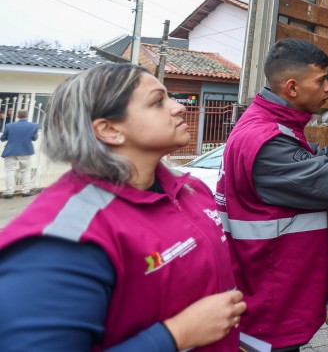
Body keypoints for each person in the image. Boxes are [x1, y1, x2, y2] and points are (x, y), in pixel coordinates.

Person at [0, 63, 246, 350]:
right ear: (109, 130)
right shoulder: (64, 240)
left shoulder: (190, 190)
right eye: (158, 101)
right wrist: (175, 335)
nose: (179, 107)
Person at [219, 38, 328, 351]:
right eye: (322, 80)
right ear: (292, 87)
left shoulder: (273, 128)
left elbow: (325, 159)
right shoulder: (267, 144)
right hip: (269, 304)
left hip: (269, 295)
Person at [1, 108, 40, 197]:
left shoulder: (9, 126)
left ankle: (9, 193)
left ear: (17, 116)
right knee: (26, 171)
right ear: (27, 116)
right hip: (26, 150)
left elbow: (3, 138)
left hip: (11, 151)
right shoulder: (34, 126)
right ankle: (25, 191)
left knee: (10, 171)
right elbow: (34, 138)